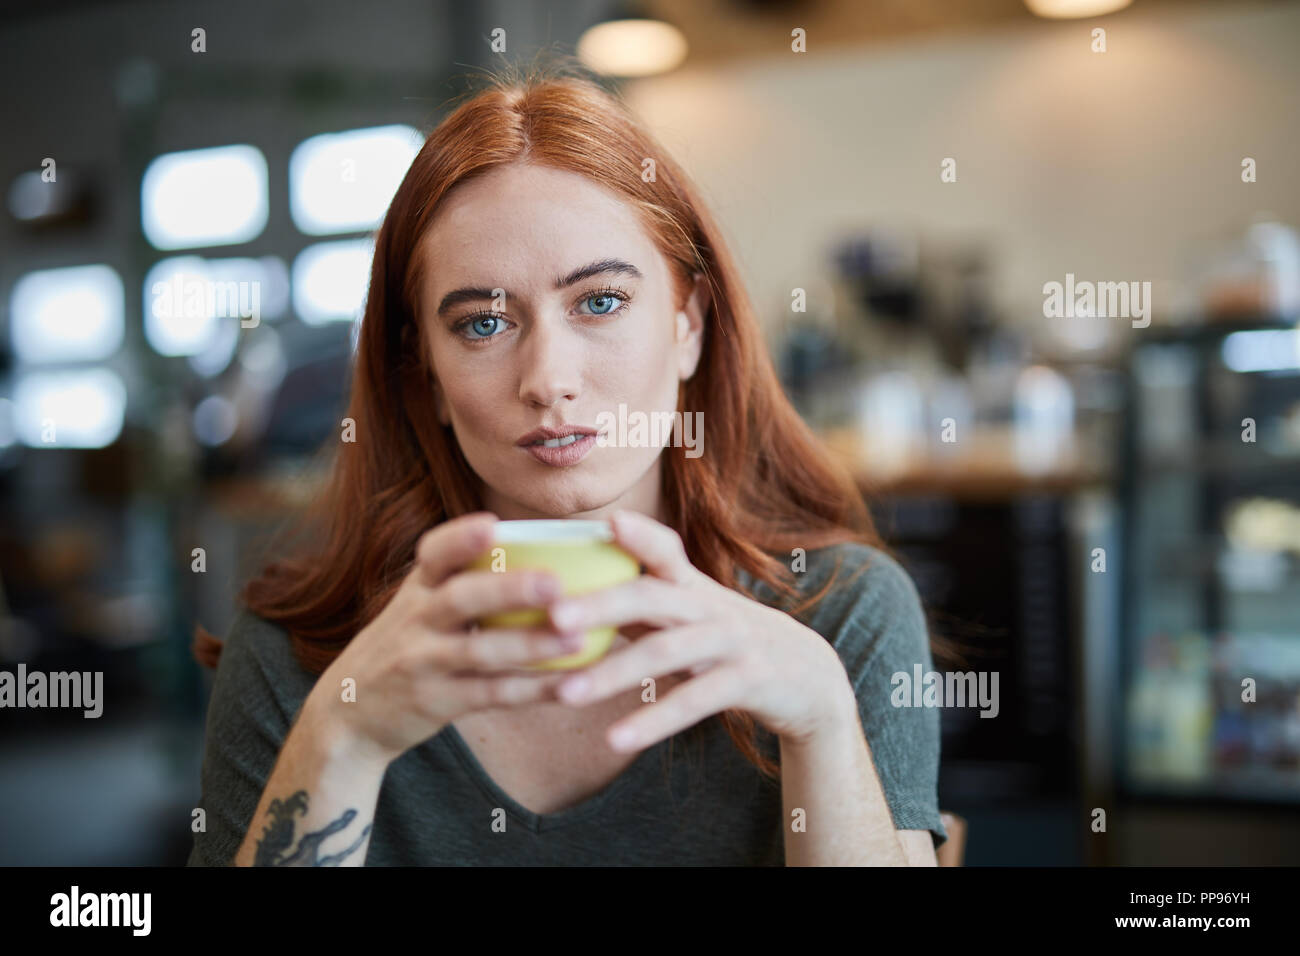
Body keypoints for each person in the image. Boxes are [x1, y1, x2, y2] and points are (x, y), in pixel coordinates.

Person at [187, 58, 949, 867]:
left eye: (600, 302)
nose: (549, 379)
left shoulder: (838, 614)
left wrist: (823, 719)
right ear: (428, 378)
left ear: (688, 325)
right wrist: (344, 734)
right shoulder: (293, 659)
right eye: (482, 323)